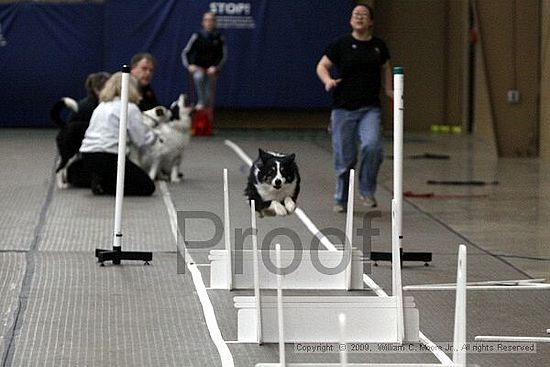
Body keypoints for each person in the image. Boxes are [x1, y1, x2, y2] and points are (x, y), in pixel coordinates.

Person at [316, 3, 392, 212]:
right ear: (351, 19)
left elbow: (386, 67)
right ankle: (341, 197)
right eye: (356, 14)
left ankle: (367, 190)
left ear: (371, 21)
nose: (359, 18)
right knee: (345, 157)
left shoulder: (378, 46)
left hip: (370, 107)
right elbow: (322, 65)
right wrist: (327, 80)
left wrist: (389, 90)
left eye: (364, 15)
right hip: (343, 108)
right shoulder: (340, 44)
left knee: (372, 146)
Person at [75, 72, 157, 196]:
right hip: (109, 156)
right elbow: (140, 141)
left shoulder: (101, 106)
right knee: (147, 186)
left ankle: (102, 180)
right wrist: (155, 136)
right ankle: (105, 185)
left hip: (87, 155)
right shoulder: (130, 108)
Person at [181, 11, 227, 109]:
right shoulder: (197, 36)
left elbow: (222, 56)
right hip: (199, 68)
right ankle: (201, 103)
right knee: (198, 77)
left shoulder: (219, 38)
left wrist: (215, 67)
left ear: (215, 22)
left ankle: (205, 107)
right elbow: (186, 52)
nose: (209, 22)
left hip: (211, 70)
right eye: (206, 20)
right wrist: (190, 65)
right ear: (203, 22)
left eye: (211, 20)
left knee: (209, 94)